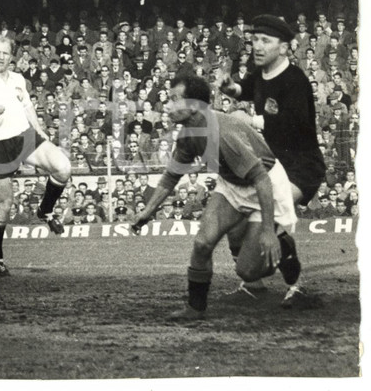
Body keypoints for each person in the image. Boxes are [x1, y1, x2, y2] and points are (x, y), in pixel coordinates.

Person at [131, 75, 305, 320]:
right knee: (202, 243)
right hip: (233, 183)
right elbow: (171, 177)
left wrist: (268, 230)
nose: (166, 105)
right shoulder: (188, 135)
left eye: (173, 99)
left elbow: (262, 180)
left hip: (266, 186)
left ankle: (283, 243)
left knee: (247, 271)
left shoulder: (222, 132)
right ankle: (195, 307)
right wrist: (147, 212)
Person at [217, 14, 324, 305]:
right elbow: (244, 90)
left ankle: (298, 287)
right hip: (275, 166)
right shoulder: (260, 73)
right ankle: (255, 284)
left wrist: (250, 120)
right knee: (236, 221)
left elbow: (296, 123)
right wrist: (229, 88)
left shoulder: (295, 81)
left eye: (266, 40)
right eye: (255, 40)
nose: (258, 46)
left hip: (302, 168)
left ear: (284, 47)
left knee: (273, 218)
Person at [0, 36, 71, 276]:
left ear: (11, 56)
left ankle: (44, 210)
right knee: (4, 206)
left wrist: (39, 132)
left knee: (63, 167)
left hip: (25, 137)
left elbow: (27, 107)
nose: (1, 57)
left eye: (6, 53)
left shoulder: (18, 79)